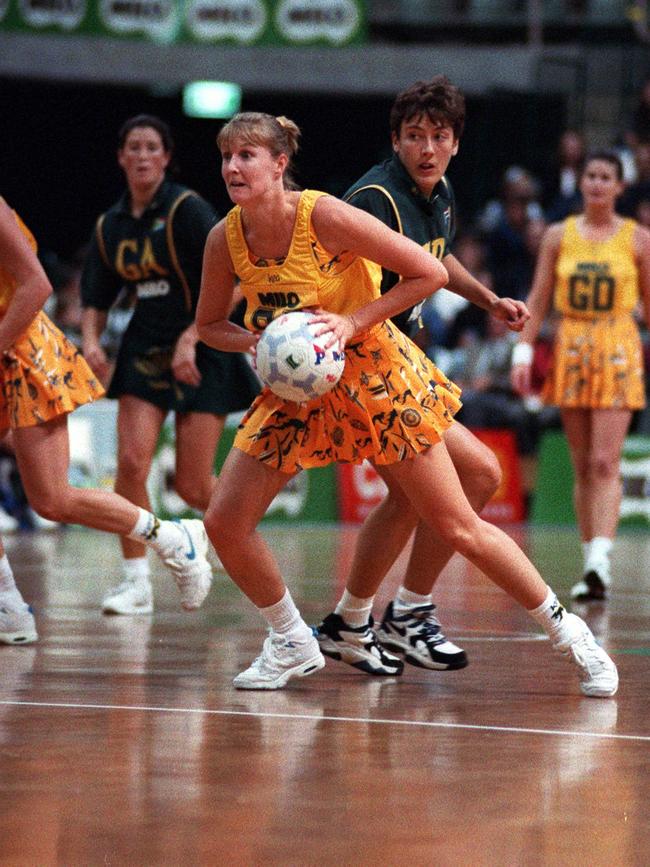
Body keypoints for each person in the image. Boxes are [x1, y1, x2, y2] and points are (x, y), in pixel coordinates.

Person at [195, 110, 618, 699]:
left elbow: (426, 271)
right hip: (298, 388)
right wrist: (258, 342)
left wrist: (349, 322)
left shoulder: (325, 213)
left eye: (246, 156)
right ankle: (293, 638)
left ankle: (572, 635)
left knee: (458, 521)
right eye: (226, 157)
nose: (233, 167)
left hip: (373, 373)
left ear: (279, 164)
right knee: (224, 521)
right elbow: (210, 324)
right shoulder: (225, 237)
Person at [314, 77, 528, 677]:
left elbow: (435, 258)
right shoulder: (374, 200)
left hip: (401, 364)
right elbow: (336, 284)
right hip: (365, 369)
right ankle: (390, 616)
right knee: (479, 473)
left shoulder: (439, 192)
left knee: (425, 495)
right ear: (396, 140)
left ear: (455, 143)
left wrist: (488, 300)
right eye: (414, 137)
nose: (427, 148)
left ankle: (359, 620)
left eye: (438, 136)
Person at [0, 195, 215, 644]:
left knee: (52, 499)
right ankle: (10, 607)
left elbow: (36, 286)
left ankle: (172, 536)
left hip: (22, 354)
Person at [81, 114, 259, 616]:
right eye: (132, 147)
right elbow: (96, 295)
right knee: (132, 464)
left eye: (151, 147)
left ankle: (232, 537)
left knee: (193, 484)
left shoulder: (188, 209)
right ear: (121, 157)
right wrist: (93, 342)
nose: (141, 155)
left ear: (165, 157)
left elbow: (238, 278)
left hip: (203, 338)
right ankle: (136, 580)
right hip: (145, 344)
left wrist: (192, 337)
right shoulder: (110, 225)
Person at [511, 150, 650, 601]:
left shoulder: (638, 239)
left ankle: (599, 562)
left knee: (605, 461)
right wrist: (523, 353)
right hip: (570, 342)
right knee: (581, 462)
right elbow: (539, 296)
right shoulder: (557, 235)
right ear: (581, 183)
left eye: (605, 176)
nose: (596, 183)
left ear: (619, 187)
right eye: (590, 175)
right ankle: (590, 552)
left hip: (616, 344)